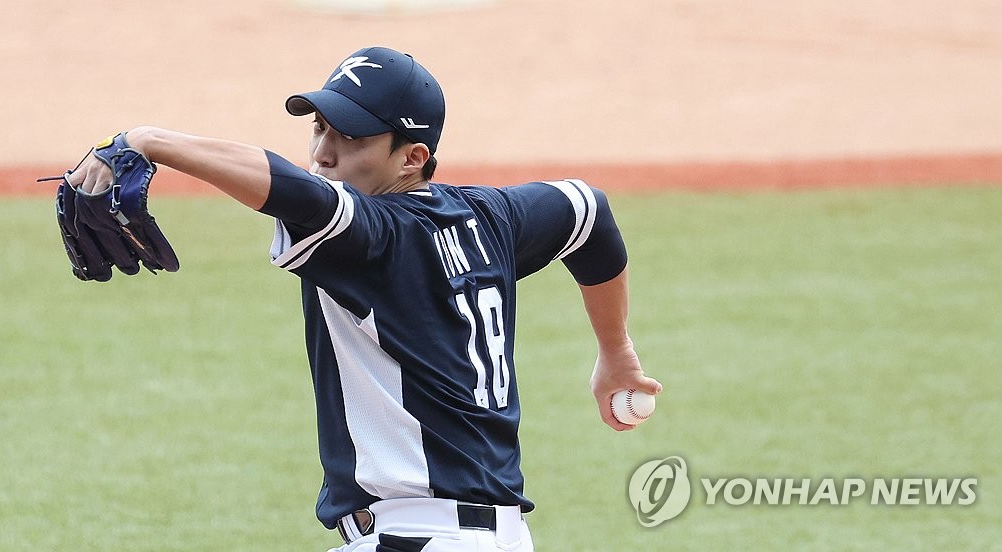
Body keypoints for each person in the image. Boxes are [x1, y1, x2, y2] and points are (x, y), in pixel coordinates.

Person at [66, 46, 661, 552]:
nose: (324, 152)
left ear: (412, 157)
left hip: (417, 538)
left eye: (350, 138)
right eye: (320, 127)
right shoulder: (494, 216)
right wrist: (617, 351)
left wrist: (147, 141)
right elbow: (589, 212)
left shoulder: (373, 236)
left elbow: (291, 188)